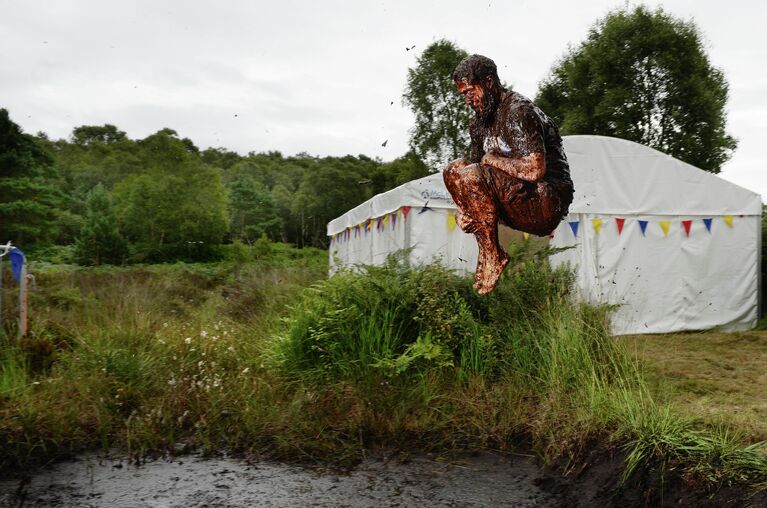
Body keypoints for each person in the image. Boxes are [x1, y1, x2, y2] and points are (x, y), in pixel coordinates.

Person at [443, 54, 574, 295]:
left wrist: (492, 159)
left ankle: (493, 255)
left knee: (472, 174)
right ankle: (490, 253)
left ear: (490, 82)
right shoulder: (478, 124)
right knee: (453, 171)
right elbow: (470, 174)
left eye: (471, 92)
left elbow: (535, 169)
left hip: (545, 200)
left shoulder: (518, 112)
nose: (468, 101)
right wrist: (464, 210)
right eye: (463, 95)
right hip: (514, 200)